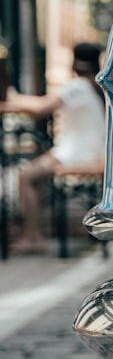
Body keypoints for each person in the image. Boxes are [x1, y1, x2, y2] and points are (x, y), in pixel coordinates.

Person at [1, 42, 106, 255]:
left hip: (79, 152)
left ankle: (33, 237)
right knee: (33, 178)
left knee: (27, 177)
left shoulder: (78, 87)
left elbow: (41, 108)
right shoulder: (93, 86)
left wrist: (11, 101)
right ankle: (32, 233)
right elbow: (40, 104)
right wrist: (14, 100)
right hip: (87, 149)